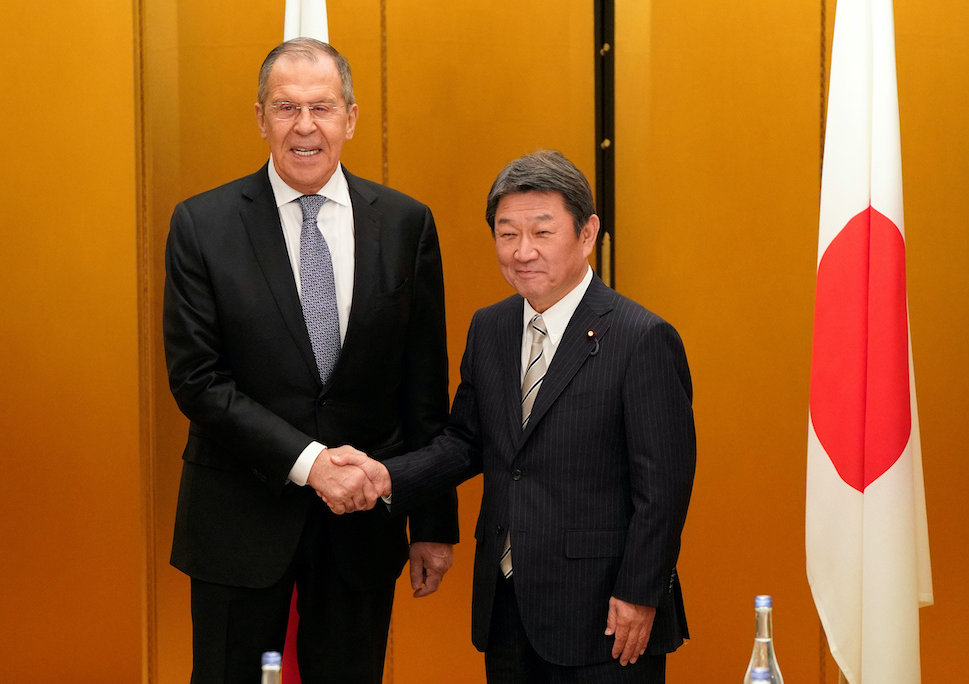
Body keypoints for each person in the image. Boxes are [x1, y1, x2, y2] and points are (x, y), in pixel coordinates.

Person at [332, 150, 696, 683]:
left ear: (588, 232)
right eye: (507, 234)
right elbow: (464, 440)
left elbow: (663, 488)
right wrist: (387, 477)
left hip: (606, 615)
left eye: (542, 232)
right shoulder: (491, 328)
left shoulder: (641, 339)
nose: (523, 251)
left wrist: (639, 594)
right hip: (507, 604)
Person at [162, 37, 458, 684]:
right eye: (285, 107)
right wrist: (311, 464)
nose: (304, 126)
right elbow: (198, 381)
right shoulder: (201, 225)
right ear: (261, 118)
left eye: (321, 108)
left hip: (361, 532)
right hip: (238, 520)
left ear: (350, 118)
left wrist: (432, 521)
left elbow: (423, 384)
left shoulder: (407, 224)